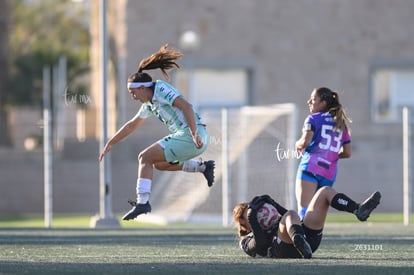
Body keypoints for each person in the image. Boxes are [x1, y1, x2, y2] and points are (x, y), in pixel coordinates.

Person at [99, 44, 215, 221]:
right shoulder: (149, 103)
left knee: (144, 157)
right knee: (157, 164)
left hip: (192, 135)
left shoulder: (160, 89)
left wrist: (194, 134)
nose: (133, 96)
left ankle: (143, 203)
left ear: (143, 88)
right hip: (190, 138)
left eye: (133, 92)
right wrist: (111, 142)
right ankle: (202, 167)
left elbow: (187, 106)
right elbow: (131, 125)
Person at [233, 188, 381, 259]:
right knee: (291, 214)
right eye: (250, 217)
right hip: (284, 250)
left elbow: (288, 216)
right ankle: (299, 239)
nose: (260, 216)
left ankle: (358, 209)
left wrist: (273, 203)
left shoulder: (281, 223)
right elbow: (260, 244)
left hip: (308, 242)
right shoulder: (245, 241)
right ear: (243, 224)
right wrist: (253, 217)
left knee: (324, 192)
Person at [295, 87, 353, 219]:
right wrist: (330, 155)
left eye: (313, 99)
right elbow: (347, 152)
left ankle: (302, 238)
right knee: (317, 214)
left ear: (323, 103)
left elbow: (305, 142)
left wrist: (296, 144)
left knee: (304, 210)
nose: (309, 101)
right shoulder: (340, 123)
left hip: (311, 168)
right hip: (328, 173)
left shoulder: (313, 119)